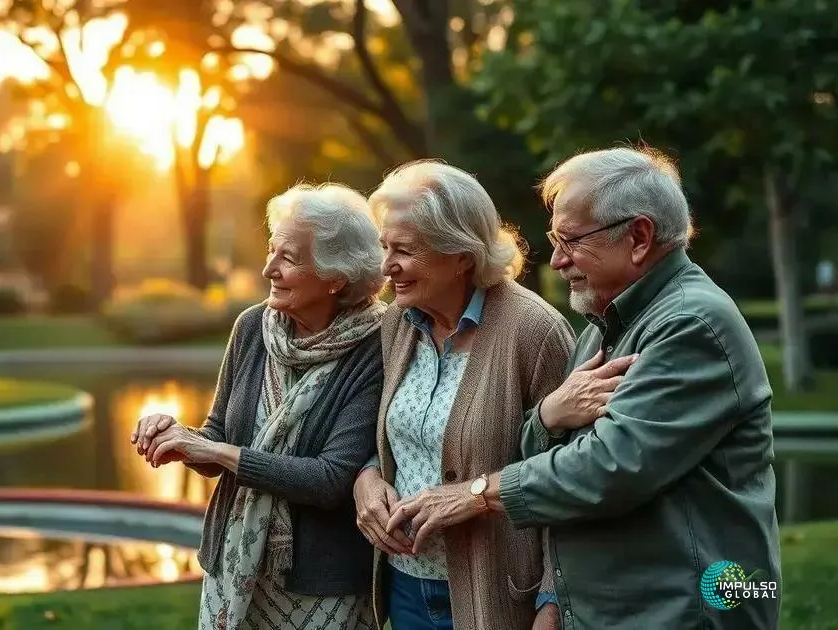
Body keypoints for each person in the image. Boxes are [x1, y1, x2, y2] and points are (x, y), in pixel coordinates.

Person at [392, 147, 781, 629]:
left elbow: (610, 467)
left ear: (639, 237)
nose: (555, 260)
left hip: (681, 609)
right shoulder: (605, 324)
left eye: (571, 240)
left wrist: (475, 493)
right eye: (556, 239)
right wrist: (548, 417)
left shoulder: (691, 324)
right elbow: (541, 452)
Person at [131, 182, 387, 630]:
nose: (268, 268)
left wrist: (218, 454)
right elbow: (217, 436)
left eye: (288, 258)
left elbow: (331, 480)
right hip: (233, 570)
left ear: (335, 277)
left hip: (323, 589)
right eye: (271, 251)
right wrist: (181, 437)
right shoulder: (252, 327)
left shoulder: (376, 346)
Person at [353, 159, 580, 630]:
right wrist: (367, 479)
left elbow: (572, 471)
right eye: (384, 247)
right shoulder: (398, 321)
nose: (386, 266)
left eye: (405, 251)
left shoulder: (534, 330)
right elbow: (392, 435)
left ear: (461, 255)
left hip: (500, 594)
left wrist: (552, 604)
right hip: (405, 586)